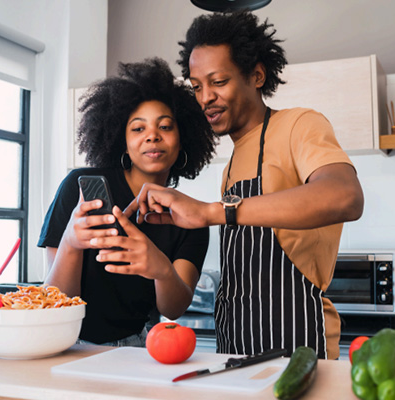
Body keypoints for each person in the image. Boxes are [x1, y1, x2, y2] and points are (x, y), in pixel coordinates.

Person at [126, 11, 364, 359]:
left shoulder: (299, 124)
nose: (205, 97)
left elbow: (345, 196)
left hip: (296, 342)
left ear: (256, 75)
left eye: (218, 81)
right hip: (234, 345)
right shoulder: (233, 161)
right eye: (196, 87)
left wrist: (210, 212)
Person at [37, 58, 216, 346]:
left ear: (183, 139)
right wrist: (71, 242)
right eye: (138, 129)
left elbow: (173, 309)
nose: (152, 136)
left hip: (134, 348)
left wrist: (161, 268)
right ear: (122, 140)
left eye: (166, 127)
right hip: (65, 344)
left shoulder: (191, 217)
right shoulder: (79, 188)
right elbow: (56, 299)